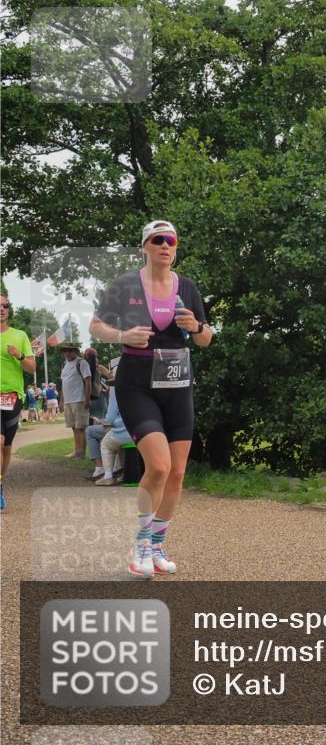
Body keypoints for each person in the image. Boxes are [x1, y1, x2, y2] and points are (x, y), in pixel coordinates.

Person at [90, 220, 212, 579]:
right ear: (145, 245)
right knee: (157, 467)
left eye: (171, 240)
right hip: (137, 384)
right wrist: (123, 334)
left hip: (178, 385)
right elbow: (96, 326)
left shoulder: (187, 288)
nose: (165, 246)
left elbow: (206, 339)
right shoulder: (125, 285)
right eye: (158, 240)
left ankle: (158, 546)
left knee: (176, 473)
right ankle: (141, 544)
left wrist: (197, 328)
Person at [1, 294, 38, 510]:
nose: (1, 309)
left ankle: (0, 482)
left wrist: (19, 356)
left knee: (6, 446)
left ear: (9, 310)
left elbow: (32, 368)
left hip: (12, 396)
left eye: (5, 306)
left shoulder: (20, 335)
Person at [59, 342, 92, 459]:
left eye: (69, 351)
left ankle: (80, 452)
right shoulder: (64, 365)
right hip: (68, 401)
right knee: (74, 427)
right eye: (64, 351)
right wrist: (61, 401)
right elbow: (63, 384)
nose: (66, 353)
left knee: (80, 427)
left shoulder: (81, 363)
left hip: (79, 399)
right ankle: (77, 451)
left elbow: (88, 381)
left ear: (75, 351)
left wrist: (87, 399)